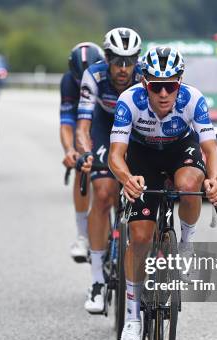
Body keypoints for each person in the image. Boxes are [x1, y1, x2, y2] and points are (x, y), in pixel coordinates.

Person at [104, 46, 217, 340]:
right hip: (143, 156)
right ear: (144, 82)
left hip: (179, 150)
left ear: (179, 82)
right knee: (140, 237)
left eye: (170, 85)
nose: (163, 94)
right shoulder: (129, 101)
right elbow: (116, 155)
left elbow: (211, 150)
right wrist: (127, 179)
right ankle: (132, 317)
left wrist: (214, 180)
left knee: (188, 185)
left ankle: (185, 244)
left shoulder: (193, 99)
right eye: (156, 86)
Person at [75, 27, 142, 314]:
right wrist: (85, 152)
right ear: (108, 59)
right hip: (105, 129)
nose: (124, 69)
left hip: (138, 132)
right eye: (118, 61)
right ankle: (97, 282)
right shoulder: (95, 75)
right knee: (102, 192)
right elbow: (83, 125)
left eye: (129, 62)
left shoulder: (145, 76)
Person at [60, 42, 105, 263]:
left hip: (108, 125)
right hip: (84, 128)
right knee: (82, 165)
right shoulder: (68, 81)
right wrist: (70, 151)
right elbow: (67, 122)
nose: (83, 84)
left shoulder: (108, 77)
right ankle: (82, 235)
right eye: (79, 80)